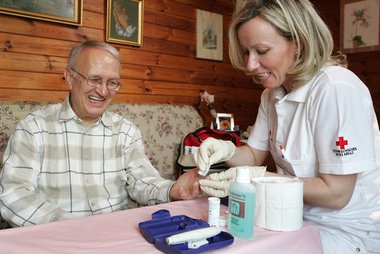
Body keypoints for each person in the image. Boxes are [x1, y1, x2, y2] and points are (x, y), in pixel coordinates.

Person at [193, 1, 380, 253]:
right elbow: (252, 155)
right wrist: (225, 149)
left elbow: (336, 195)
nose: (250, 65)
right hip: (292, 218)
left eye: (261, 51)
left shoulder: (335, 88)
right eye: (246, 52)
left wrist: (259, 179)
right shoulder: (272, 94)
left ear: (299, 43)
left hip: (347, 231)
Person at [0, 40, 200, 227]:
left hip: (115, 234)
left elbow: (142, 181)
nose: (103, 92)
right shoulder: (33, 128)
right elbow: (13, 194)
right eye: (94, 79)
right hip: (56, 239)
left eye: (112, 83)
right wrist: (61, 222)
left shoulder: (126, 131)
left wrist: (172, 189)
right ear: (70, 77)